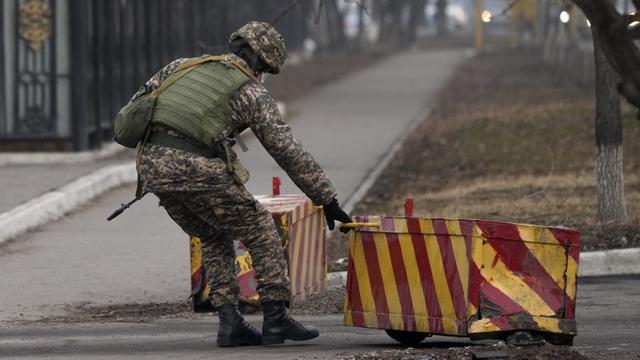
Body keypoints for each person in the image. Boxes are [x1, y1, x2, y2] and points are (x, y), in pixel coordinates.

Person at [136, 21, 353, 347]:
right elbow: (286, 148)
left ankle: (230, 322)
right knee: (260, 228)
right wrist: (327, 199)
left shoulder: (180, 67)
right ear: (256, 61)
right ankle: (276, 319)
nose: (262, 76)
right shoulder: (250, 91)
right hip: (197, 170)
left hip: (151, 169)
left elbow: (141, 102)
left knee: (212, 232)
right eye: (264, 69)